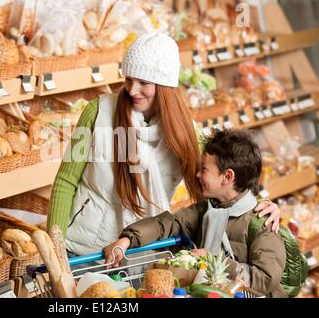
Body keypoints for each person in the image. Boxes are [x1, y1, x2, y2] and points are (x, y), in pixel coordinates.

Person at [47, 32, 281, 258]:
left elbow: (223, 179)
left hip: (141, 253)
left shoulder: (185, 132)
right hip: (81, 250)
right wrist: (55, 249)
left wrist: (259, 206)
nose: (132, 90)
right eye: (128, 79)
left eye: (144, 82)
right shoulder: (97, 112)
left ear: (165, 86)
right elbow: (66, 181)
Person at [104, 129, 287, 297]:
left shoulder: (263, 222)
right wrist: (128, 239)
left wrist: (211, 260)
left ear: (227, 177)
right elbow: (168, 224)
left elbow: (265, 279)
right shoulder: (206, 209)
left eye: (204, 169)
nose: (197, 175)